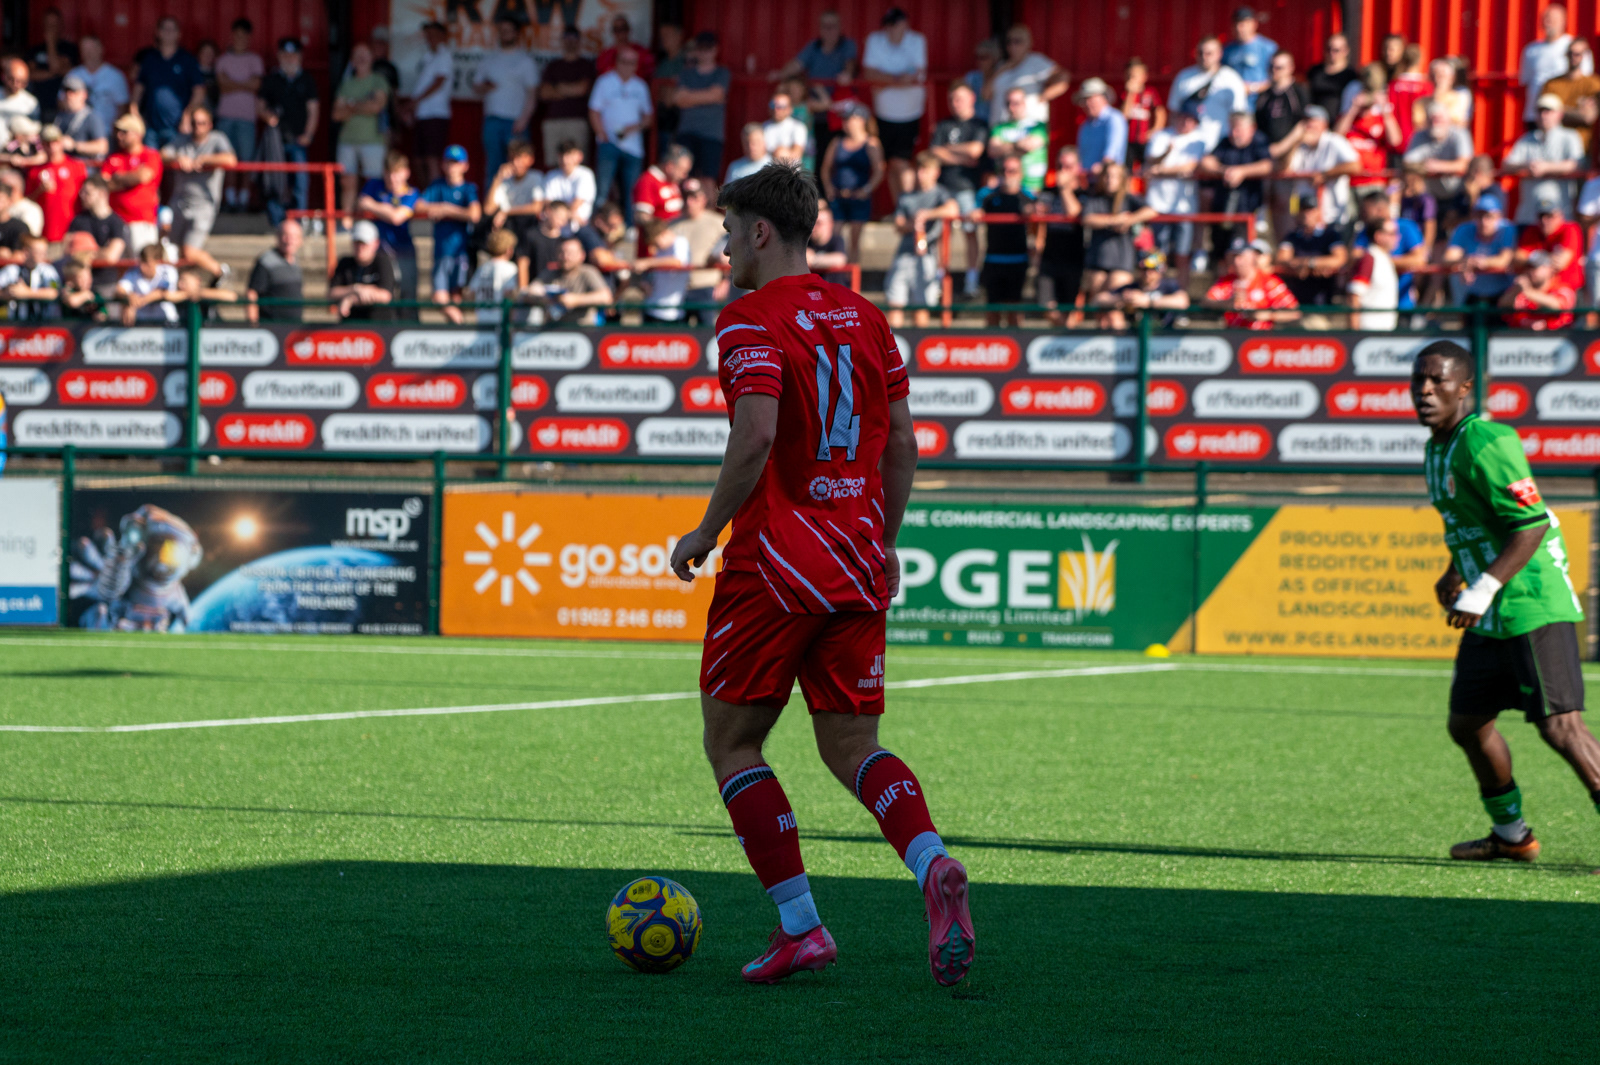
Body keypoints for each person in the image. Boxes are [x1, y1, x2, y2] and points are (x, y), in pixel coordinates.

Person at [664, 162, 972, 988]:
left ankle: (801, 925)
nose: (725, 247)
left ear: (761, 232)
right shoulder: (867, 317)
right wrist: (885, 540)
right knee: (853, 744)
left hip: (775, 562)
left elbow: (757, 432)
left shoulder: (747, 318)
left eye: (730, 231)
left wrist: (706, 530)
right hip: (857, 559)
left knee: (733, 741)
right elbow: (902, 442)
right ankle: (931, 859)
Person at [1409, 338, 1600, 864]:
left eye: (1438, 380)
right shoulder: (1436, 448)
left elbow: (1530, 524)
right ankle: (1512, 836)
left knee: (1560, 727)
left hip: (1530, 602)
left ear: (1464, 388)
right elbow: (1473, 520)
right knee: (1467, 724)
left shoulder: (1486, 440)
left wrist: (1481, 588)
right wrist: (1455, 571)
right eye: (1419, 380)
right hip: (1489, 609)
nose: (1425, 390)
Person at [769, 11, 858, 167]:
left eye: (832, 26)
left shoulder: (847, 45)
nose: (829, 30)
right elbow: (796, 64)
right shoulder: (813, 47)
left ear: (839, 28)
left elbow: (850, 65)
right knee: (816, 157)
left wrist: (847, 75)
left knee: (837, 160)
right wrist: (780, 74)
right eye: (825, 26)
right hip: (817, 113)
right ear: (820, 28)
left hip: (839, 115)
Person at [885, 151, 957, 327]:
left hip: (927, 256)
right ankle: (895, 341)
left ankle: (918, 341)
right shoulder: (906, 196)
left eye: (925, 170)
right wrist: (913, 224)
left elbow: (952, 209)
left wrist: (928, 214)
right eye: (919, 169)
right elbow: (898, 224)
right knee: (895, 304)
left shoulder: (940, 194)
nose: (920, 174)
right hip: (904, 254)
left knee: (921, 306)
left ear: (936, 172)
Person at [862, 8, 928, 198]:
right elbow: (869, 74)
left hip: (910, 112)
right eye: (889, 25)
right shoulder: (875, 40)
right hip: (883, 112)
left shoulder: (917, 41)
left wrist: (884, 81)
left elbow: (916, 75)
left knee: (902, 161)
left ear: (905, 25)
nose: (891, 30)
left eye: (895, 25)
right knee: (889, 163)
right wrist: (898, 80)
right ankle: (900, 208)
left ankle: (907, 205)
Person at [162, 106, 235, 277]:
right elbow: (162, 155)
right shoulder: (182, 140)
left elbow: (231, 160)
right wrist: (177, 158)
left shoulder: (217, 139)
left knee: (190, 251)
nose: (198, 127)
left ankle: (221, 272)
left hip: (204, 205)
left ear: (210, 125)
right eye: (194, 123)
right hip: (179, 203)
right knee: (175, 252)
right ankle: (186, 285)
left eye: (202, 123)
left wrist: (205, 159)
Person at [929, 83, 988, 295]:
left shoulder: (979, 124)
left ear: (972, 98)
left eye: (960, 98)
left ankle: (971, 279)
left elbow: (975, 150)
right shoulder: (944, 124)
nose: (956, 103)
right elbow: (934, 152)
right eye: (952, 99)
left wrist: (947, 150)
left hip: (967, 187)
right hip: (944, 187)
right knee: (941, 233)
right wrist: (961, 157)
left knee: (970, 231)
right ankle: (940, 279)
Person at [258, 38, 319, 228]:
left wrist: (308, 134)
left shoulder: (306, 80)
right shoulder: (272, 79)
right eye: (285, 55)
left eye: (293, 55)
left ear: (299, 57)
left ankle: (298, 221)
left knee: (300, 181)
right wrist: (268, 116)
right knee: (275, 180)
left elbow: (313, 110)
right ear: (279, 56)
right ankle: (277, 222)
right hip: (275, 141)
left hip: (298, 140)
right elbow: (260, 106)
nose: (289, 59)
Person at [1143, 105, 1207, 286]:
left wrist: (1159, 171)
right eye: (1183, 118)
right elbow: (1150, 160)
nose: (1186, 123)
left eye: (1191, 120)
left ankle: (1181, 296)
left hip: (1184, 207)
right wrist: (1166, 154)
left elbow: (1190, 167)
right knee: (1157, 256)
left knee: (1182, 255)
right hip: (1158, 205)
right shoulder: (1161, 136)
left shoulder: (1199, 139)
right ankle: (1156, 292)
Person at [472, 18, 540, 185]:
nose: (505, 34)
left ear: (517, 33)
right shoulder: (489, 59)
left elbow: (532, 94)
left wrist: (524, 119)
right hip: (492, 120)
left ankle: (518, 202)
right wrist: (485, 87)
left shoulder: (525, 61)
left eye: (508, 30)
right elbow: (476, 87)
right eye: (502, 30)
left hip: (515, 121)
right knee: (493, 167)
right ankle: (491, 201)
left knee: (518, 167)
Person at [589, 47, 653, 221]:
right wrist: (602, 134)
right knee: (602, 191)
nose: (627, 66)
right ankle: (598, 227)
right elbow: (594, 111)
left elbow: (648, 117)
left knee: (631, 192)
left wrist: (634, 127)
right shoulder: (604, 82)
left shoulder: (640, 86)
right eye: (624, 61)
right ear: (616, 62)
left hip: (633, 148)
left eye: (632, 63)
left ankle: (630, 229)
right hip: (608, 144)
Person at [1199, 111, 1272, 261]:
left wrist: (1242, 172)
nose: (1234, 133)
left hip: (1248, 210)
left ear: (1251, 128)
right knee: (1220, 254)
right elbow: (1206, 162)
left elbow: (1268, 165)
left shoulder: (1259, 141)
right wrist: (1225, 171)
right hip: (1222, 208)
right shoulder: (1225, 142)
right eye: (1232, 128)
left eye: (1238, 129)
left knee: (1242, 255)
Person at [1080, 162, 1155, 305]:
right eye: (1107, 176)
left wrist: (1129, 220)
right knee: (1097, 302)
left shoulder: (1128, 199)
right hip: (1098, 260)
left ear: (1122, 179)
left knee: (1116, 304)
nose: (1110, 180)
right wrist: (1115, 220)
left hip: (1121, 261)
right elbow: (1087, 219)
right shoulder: (1095, 199)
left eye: (1114, 176)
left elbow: (1151, 211)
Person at [1503, 94, 1585, 225]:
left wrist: (1546, 168)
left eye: (1548, 111)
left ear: (1560, 114)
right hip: (1529, 215)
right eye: (1540, 111)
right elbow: (1506, 164)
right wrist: (1527, 165)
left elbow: (1577, 164)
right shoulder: (1527, 138)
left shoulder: (1570, 136)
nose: (1543, 115)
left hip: (1560, 217)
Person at [422, 145, 482, 321]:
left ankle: (456, 328)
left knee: (456, 297)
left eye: (456, 163)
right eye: (449, 162)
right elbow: (418, 205)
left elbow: (475, 214)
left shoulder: (468, 188)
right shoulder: (437, 186)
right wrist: (439, 208)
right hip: (441, 252)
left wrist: (447, 210)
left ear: (465, 166)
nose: (452, 167)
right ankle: (459, 324)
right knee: (439, 297)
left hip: (460, 252)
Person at [974, 155, 1034, 326]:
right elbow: (976, 211)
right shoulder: (988, 194)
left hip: (1018, 260)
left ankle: (1016, 342)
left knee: (1014, 310)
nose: (1008, 175)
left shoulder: (1028, 196)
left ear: (1021, 173)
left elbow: (1038, 219)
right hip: (993, 259)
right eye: (1004, 171)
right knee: (992, 311)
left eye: (1012, 171)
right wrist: (976, 213)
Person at [335, 44, 391, 228]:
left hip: (373, 140)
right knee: (347, 181)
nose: (361, 58)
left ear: (371, 58)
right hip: (348, 139)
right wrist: (364, 103)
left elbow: (377, 106)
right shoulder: (347, 83)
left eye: (364, 55)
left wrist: (350, 105)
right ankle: (347, 221)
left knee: (373, 182)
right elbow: (336, 114)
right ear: (352, 60)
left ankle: (370, 220)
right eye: (357, 55)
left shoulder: (378, 81)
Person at [821, 103, 884, 263]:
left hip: (859, 198)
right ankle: (834, 273)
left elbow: (879, 171)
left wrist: (866, 190)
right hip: (838, 196)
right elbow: (825, 168)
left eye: (849, 119)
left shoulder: (871, 143)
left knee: (854, 240)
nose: (845, 123)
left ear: (861, 120)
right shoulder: (837, 142)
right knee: (833, 236)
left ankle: (853, 274)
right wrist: (829, 188)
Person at [357, 150, 421, 305]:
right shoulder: (374, 185)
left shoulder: (412, 193)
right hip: (380, 253)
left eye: (397, 173)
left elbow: (396, 218)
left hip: (403, 251)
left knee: (407, 297)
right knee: (384, 295)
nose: (392, 178)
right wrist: (387, 210)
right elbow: (361, 203)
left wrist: (374, 206)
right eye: (389, 173)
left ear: (406, 173)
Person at [132, 18, 206, 148]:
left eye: (172, 29)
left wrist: (187, 116)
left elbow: (199, 92)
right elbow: (138, 89)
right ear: (158, 32)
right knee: (151, 160)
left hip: (177, 127)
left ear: (179, 34)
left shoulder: (187, 60)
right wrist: (135, 114)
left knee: (175, 160)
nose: (168, 32)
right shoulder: (149, 59)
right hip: (150, 128)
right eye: (165, 28)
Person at [214, 18, 262, 212]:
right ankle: (230, 198)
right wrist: (244, 84)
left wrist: (232, 82)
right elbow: (222, 86)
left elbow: (256, 84)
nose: (240, 39)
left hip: (247, 118)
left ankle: (243, 199)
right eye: (237, 35)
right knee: (227, 159)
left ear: (249, 38)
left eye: (244, 35)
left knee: (246, 160)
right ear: (232, 36)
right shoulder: (223, 60)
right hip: (225, 116)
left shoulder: (255, 60)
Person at [1285, 106, 1359, 231]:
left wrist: (1325, 175)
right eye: (1305, 121)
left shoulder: (1334, 141)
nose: (1308, 126)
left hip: (1333, 217)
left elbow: (1355, 165)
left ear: (1324, 124)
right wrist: (1294, 140)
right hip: (1306, 220)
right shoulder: (1301, 146)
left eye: (1312, 121)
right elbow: (1287, 169)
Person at [1351, 189, 1427, 313]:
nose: (1362, 215)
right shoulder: (1366, 231)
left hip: (1403, 304)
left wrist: (1382, 262)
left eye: (1365, 210)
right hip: (1374, 306)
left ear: (1380, 210)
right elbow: (1355, 257)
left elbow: (1420, 259)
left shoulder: (1406, 227)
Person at [1168, 35, 1248, 151]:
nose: (1204, 57)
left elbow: (1239, 115)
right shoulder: (1184, 77)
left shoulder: (1231, 79)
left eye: (1209, 53)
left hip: (1219, 144)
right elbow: (1174, 112)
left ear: (1219, 54)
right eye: (1200, 53)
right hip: (1188, 146)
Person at [1034, 146, 1085, 325]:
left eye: (1068, 167)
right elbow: (1036, 214)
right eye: (1060, 167)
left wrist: (1064, 189)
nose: (1063, 172)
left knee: (1069, 312)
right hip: (1050, 257)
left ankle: (1065, 337)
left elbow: (1073, 212)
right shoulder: (1048, 192)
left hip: (1074, 258)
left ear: (1078, 168)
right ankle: (1062, 333)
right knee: (1046, 308)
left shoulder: (1084, 194)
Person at [1520, 3, 1591, 126]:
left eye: (1552, 20)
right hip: (1535, 115)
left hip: (1564, 117)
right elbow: (1527, 82)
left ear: (1563, 22)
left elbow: (1584, 81)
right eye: (1545, 19)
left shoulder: (1574, 48)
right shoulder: (1531, 50)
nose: (1548, 23)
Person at [1203, 238, 1299, 329]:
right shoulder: (1226, 281)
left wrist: (1266, 315)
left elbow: (1294, 311)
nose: (1237, 261)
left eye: (1241, 256)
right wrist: (1226, 303)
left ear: (1252, 257)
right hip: (1232, 335)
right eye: (1234, 256)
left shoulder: (1268, 281)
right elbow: (1205, 302)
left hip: (1260, 337)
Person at [1443, 193, 1517, 309]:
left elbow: (1505, 259)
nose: (1483, 221)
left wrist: (1482, 262)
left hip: (1502, 293)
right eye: (1479, 216)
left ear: (1499, 216)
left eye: (1489, 216)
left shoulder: (1506, 229)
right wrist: (1466, 261)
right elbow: (1448, 258)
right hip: (1473, 292)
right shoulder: (1464, 229)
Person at [1404, 102, 1475, 223]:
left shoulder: (1460, 134)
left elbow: (1465, 164)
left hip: (1458, 195)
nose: (1435, 123)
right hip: (1429, 195)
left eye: (1439, 119)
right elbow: (1408, 163)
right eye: (1432, 119)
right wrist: (1426, 167)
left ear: (1448, 120)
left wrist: (1436, 166)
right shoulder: (1420, 135)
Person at [102, 114, 163, 253]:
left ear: (137, 134)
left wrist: (118, 177)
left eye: (124, 132)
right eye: (118, 132)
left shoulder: (150, 155)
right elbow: (104, 185)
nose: (119, 136)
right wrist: (130, 179)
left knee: (142, 261)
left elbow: (143, 176)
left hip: (141, 221)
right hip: (116, 222)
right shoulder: (113, 158)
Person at [674, 33, 731, 180]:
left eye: (708, 48)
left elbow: (716, 95)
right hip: (687, 132)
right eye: (701, 48)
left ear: (715, 50)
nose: (705, 52)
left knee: (708, 179)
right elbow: (679, 99)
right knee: (683, 177)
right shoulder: (686, 73)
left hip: (711, 134)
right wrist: (708, 96)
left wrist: (690, 96)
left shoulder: (722, 72)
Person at [989, 23, 1067, 130]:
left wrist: (1042, 97)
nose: (1012, 45)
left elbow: (1063, 78)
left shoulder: (1036, 62)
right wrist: (1001, 70)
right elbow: (985, 94)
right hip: (1002, 128)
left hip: (1029, 127)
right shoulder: (1001, 65)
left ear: (1028, 43)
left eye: (1017, 41)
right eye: (1009, 41)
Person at [671, 177, 731, 316]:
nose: (689, 202)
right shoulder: (672, 225)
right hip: (677, 288)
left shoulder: (719, 223)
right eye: (685, 197)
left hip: (707, 286)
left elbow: (730, 254)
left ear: (704, 199)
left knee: (708, 328)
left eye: (694, 197)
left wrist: (726, 281)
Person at [1274, 198, 1347, 311]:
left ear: (1318, 212)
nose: (1306, 214)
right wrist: (1306, 264)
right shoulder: (1292, 236)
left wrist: (1311, 263)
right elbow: (1281, 259)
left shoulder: (1330, 234)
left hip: (1322, 300)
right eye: (1303, 210)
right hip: (1296, 301)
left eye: (1310, 210)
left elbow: (1340, 259)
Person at [539, 27, 595, 170]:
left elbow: (582, 89)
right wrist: (571, 89)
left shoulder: (585, 65)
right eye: (567, 39)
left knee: (577, 165)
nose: (570, 42)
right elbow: (544, 93)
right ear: (562, 41)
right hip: (553, 121)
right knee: (553, 164)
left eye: (574, 39)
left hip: (577, 121)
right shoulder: (553, 66)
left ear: (579, 41)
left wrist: (558, 87)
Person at [407, 21, 454, 187]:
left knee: (431, 158)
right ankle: (425, 195)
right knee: (418, 160)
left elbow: (439, 82)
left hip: (436, 114)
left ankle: (433, 198)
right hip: (422, 114)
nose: (429, 38)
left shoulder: (444, 56)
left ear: (442, 36)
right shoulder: (428, 57)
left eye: (433, 34)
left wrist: (415, 101)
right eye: (427, 35)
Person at [526, 235, 612, 325]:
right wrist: (544, 297)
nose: (565, 257)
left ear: (582, 255)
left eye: (570, 253)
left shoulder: (588, 272)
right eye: (561, 252)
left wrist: (576, 300)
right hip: (552, 329)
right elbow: (530, 291)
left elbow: (606, 297)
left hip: (581, 330)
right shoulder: (550, 273)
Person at [1094, 249, 1189, 330]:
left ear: (1160, 270)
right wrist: (1122, 298)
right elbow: (1097, 299)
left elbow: (1183, 301)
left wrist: (1149, 301)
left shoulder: (1169, 285)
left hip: (1163, 337)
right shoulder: (1132, 288)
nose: (1147, 273)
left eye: (1152, 269)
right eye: (1144, 269)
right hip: (1135, 337)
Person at [66, 176, 128, 291]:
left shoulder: (116, 223)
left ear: (102, 194)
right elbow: (68, 251)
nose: (82, 196)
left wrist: (84, 253)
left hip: (106, 284)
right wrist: (99, 252)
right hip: (79, 283)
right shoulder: (78, 220)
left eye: (87, 193)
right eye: (82, 192)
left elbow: (111, 256)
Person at [1539, 38, 1600, 153]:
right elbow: (1543, 115)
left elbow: (1588, 117)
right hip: (1554, 148)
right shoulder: (1552, 84)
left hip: (1583, 147)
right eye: (1570, 53)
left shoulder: (1594, 85)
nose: (1573, 57)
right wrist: (1577, 111)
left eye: (1578, 54)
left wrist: (1558, 110)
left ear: (1585, 56)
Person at [1516, 195, 1585, 295]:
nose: (1544, 220)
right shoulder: (1532, 230)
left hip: (1565, 290)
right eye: (1541, 216)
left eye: (1549, 216)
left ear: (1560, 215)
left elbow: (1561, 262)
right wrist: (1542, 258)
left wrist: (1533, 258)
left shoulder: (1570, 229)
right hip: (1537, 290)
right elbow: (1517, 258)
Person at [27, 125, 85, 243]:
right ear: (42, 145)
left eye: (55, 142)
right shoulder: (35, 171)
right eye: (47, 143)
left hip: (71, 230)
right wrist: (40, 190)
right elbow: (28, 201)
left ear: (61, 142)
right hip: (45, 231)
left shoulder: (76, 166)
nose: (52, 147)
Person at [330, 220, 398, 320]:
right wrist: (356, 289)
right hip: (351, 323)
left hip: (379, 324)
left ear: (375, 243)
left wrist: (351, 299)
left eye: (364, 243)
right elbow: (332, 292)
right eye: (356, 243)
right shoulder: (345, 263)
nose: (360, 247)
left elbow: (385, 295)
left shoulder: (383, 261)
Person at [634, 144, 693, 256]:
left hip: (673, 249)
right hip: (655, 253)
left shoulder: (672, 182)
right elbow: (641, 216)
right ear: (670, 166)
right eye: (682, 171)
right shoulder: (648, 181)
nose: (684, 176)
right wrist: (660, 233)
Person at [989, 88, 1048, 194]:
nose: (1011, 107)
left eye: (1016, 103)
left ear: (1024, 103)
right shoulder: (999, 127)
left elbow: (1028, 146)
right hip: (1006, 187)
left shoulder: (1038, 126)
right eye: (1008, 103)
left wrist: (1005, 146)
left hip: (1034, 186)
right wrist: (1017, 145)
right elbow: (993, 150)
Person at [246, 218, 304, 323]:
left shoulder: (296, 262)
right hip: (271, 326)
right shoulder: (266, 261)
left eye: (294, 237)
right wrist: (253, 324)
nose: (289, 240)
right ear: (278, 237)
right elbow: (252, 293)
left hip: (294, 326)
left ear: (300, 240)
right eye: (285, 235)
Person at [1501, 250, 1576, 330]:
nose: (1532, 271)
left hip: (1556, 336)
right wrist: (1515, 291)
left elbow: (1557, 306)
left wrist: (1528, 291)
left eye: (1536, 267)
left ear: (1550, 269)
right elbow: (1503, 307)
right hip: (1521, 335)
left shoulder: (1562, 288)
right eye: (1529, 267)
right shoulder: (1519, 289)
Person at [68, 36, 128, 136]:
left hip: (107, 132)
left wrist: (116, 131)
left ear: (101, 49)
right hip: (78, 133)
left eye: (92, 49)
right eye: (85, 50)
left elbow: (123, 107)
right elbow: (62, 102)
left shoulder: (115, 76)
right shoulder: (73, 75)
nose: (89, 53)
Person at [486, 139, 544, 243]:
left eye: (520, 158)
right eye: (512, 158)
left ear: (530, 159)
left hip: (528, 227)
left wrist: (506, 212)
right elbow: (488, 209)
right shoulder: (504, 180)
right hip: (508, 227)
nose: (516, 163)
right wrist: (497, 179)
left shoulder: (536, 177)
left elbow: (536, 207)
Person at [635, 216, 691, 321]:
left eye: (655, 243)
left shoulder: (680, 242)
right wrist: (646, 283)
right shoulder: (660, 252)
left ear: (663, 234)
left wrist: (648, 263)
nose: (654, 247)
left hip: (671, 314)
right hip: (651, 309)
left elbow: (678, 262)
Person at [28, 7, 77, 126]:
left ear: (61, 26)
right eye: (48, 25)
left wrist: (50, 43)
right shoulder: (35, 50)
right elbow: (30, 75)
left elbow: (56, 67)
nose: (51, 29)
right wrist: (53, 73)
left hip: (60, 107)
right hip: (37, 104)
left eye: (54, 25)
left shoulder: (69, 49)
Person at [1348, 218, 1400, 330]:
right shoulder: (1369, 258)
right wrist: (1355, 332)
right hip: (1368, 329)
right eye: (1392, 233)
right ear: (1378, 236)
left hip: (1384, 330)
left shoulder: (1384, 259)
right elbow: (1355, 295)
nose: (1397, 237)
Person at [1223, 6, 1278, 106]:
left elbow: (1277, 78)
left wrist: (1252, 88)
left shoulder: (1268, 48)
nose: (1239, 28)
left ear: (1254, 24)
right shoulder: (1227, 50)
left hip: (1260, 104)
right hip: (1233, 105)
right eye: (1236, 24)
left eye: (1243, 24)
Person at [464, 227, 521, 324]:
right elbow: (508, 295)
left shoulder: (482, 268)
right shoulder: (510, 268)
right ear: (509, 250)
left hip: (482, 321)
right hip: (500, 322)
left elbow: (471, 294)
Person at [116, 243, 182, 324]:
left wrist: (136, 303)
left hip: (167, 323)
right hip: (141, 324)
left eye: (147, 263)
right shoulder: (133, 271)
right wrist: (129, 297)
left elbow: (161, 292)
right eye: (141, 262)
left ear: (157, 262)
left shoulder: (168, 271)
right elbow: (119, 289)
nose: (142, 267)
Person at [0, 235, 62, 320]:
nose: (43, 255)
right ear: (26, 252)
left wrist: (27, 293)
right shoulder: (11, 270)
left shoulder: (48, 271)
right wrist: (6, 294)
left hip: (43, 323)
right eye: (38, 252)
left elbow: (55, 292)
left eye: (45, 251)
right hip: (15, 322)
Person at [1074, 78, 1127, 174]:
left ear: (1104, 97)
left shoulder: (1114, 119)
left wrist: (1101, 167)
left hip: (1108, 179)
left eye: (1090, 98)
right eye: (1084, 100)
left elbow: (1111, 155)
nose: (1087, 103)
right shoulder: (1085, 125)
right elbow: (1081, 156)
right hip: (1088, 179)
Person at [517, 198, 575, 286]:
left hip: (558, 287)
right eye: (559, 216)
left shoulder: (565, 241)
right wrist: (523, 289)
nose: (561, 221)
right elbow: (523, 263)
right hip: (535, 286)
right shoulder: (531, 235)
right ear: (548, 212)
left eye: (565, 219)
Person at [1121, 58, 1165, 166]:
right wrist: (1130, 94)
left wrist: (1155, 130)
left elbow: (1160, 112)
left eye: (1134, 76)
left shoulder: (1150, 93)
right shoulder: (1124, 94)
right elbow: (1124, 115)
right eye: (1128, 76)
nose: (1131, 79)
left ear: (1144, 77)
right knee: (1127, 167)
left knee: (1147, 166)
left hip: (1145, 139)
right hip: (1128, 140)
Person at [53, 75, 107, 164]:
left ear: (84, 95)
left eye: (73, 92)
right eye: (66, 91)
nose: (69, 96)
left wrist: (75, 145)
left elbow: (102, 147)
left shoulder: (92, 117)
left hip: (83, 166)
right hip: (61, 165)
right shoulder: (59, 116)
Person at [1387, 44, 1431, 150]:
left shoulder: (1393, 85)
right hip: (1419, 143)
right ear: (1420, 61)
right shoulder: (1427, 87)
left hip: (1396, 142)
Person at [544, 140, 597, 225]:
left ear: (579, 156)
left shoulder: (586, 174)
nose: (564, 159)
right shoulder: (551, 175)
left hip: (579, 225)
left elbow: (577, 203)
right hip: (554, 224)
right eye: (561, 155)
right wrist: (562, 216)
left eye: (569, 155)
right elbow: (548, 203)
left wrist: (561, 214)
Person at [596, 15, 657, 80]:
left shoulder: (642, 52)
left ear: (629, 29)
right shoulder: (605, 55)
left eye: (623, 28)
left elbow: (650, 76)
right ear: (613, 32)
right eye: (617, 29)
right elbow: (601, 78)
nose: (620, 32)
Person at [1424, 56, 1474, 131]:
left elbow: (1457, 119)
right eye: (1434, 75)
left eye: (1442, 76)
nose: (1437, 80)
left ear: (1452, 77)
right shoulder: (1424, 98)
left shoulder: (1461, 95)